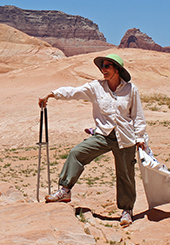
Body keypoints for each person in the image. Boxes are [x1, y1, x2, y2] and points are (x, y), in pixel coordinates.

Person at [37, 53, 147, 227]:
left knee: (125, 173)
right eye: (102, 66)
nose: (103, 70)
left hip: (125, 137)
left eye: (107, 66)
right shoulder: (96, 87)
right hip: (103, 135)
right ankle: (64, 190)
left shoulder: (130, 90)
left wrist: (140, 137)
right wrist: (51, 94)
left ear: (117, 70)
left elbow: (137, 116)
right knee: (77, 153)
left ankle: (127, 210)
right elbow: (74, 92)